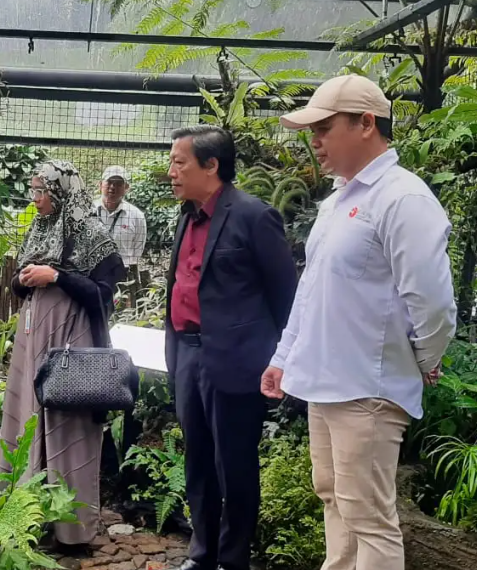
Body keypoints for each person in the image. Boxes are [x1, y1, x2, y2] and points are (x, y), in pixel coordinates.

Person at [261, 75, 457, 570]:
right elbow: (311, 290)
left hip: (367, 388)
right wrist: (284, 357)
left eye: (324, 128)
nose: (315, 141)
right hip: (326, 382)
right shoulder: (338, 201)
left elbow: (433, 302)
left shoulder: (403, 198)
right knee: (333, 496)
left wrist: (421, 359)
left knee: (369, 517)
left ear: (367, 123)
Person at [163, 126, 297, 570]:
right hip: (187, 353)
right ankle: (201, 555)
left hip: (237, 360)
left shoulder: (253, 216)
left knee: (234, 465)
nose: (171, 172)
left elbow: (286, 296)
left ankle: (233, 560)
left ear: (211, 165)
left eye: (179, 162)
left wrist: (280, 359)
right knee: (197, 461)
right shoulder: (187, 216)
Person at [0, 160, 126, 551]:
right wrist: (24, 280)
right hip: (33, 341)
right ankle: (26, 516)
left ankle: (71, 530)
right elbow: (20, 284)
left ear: (60, 192)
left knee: (68, 427)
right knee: (28, 421)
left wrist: (56, 277)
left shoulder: (92, 234)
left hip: (72, 342)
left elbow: (103, 295)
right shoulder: (41, 227)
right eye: (33, 190)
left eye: (42, 191)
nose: (36, 199)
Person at [94, 166, 147, 268]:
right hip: (92, 271)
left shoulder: (137, 216)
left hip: (122, 271)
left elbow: (137, 251)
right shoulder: (88, 211)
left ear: (126, 188)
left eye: (118, 184)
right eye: (109, 182)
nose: (113, 187)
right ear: (100, 185)